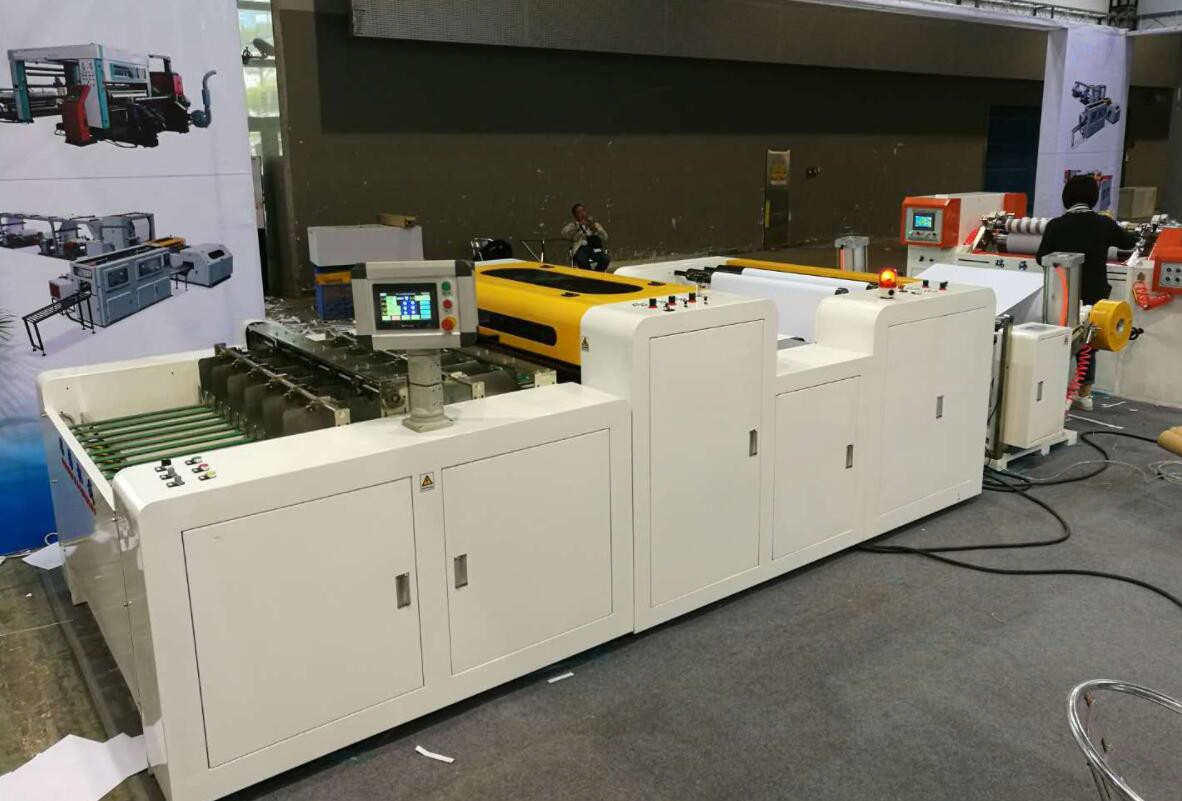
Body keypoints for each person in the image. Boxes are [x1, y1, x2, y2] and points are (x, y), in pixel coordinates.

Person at [1036, 174, 1138, 411]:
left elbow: (1041, 257)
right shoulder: (1103, 224)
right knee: (1088, 343)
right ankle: (1084, 394)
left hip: (1063, 293)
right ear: (1093, 197)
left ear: (1066, 197)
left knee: (1061, 340)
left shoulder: (1056, 225)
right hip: (1095, 293)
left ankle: (1057, 393)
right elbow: (1128, 243)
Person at [562, 203, 610, 271]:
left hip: (594, 248)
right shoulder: (573, 225)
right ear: (575, 215)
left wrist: (596, 230)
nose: (582, 213)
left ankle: (596, 274)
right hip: (581, 249)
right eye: (579, 212)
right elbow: (564, 233)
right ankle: (589, 275)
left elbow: (605, 238)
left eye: (583, 211)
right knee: (582, 260)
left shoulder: (594, 224)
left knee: (605, 259)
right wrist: (578, 225)